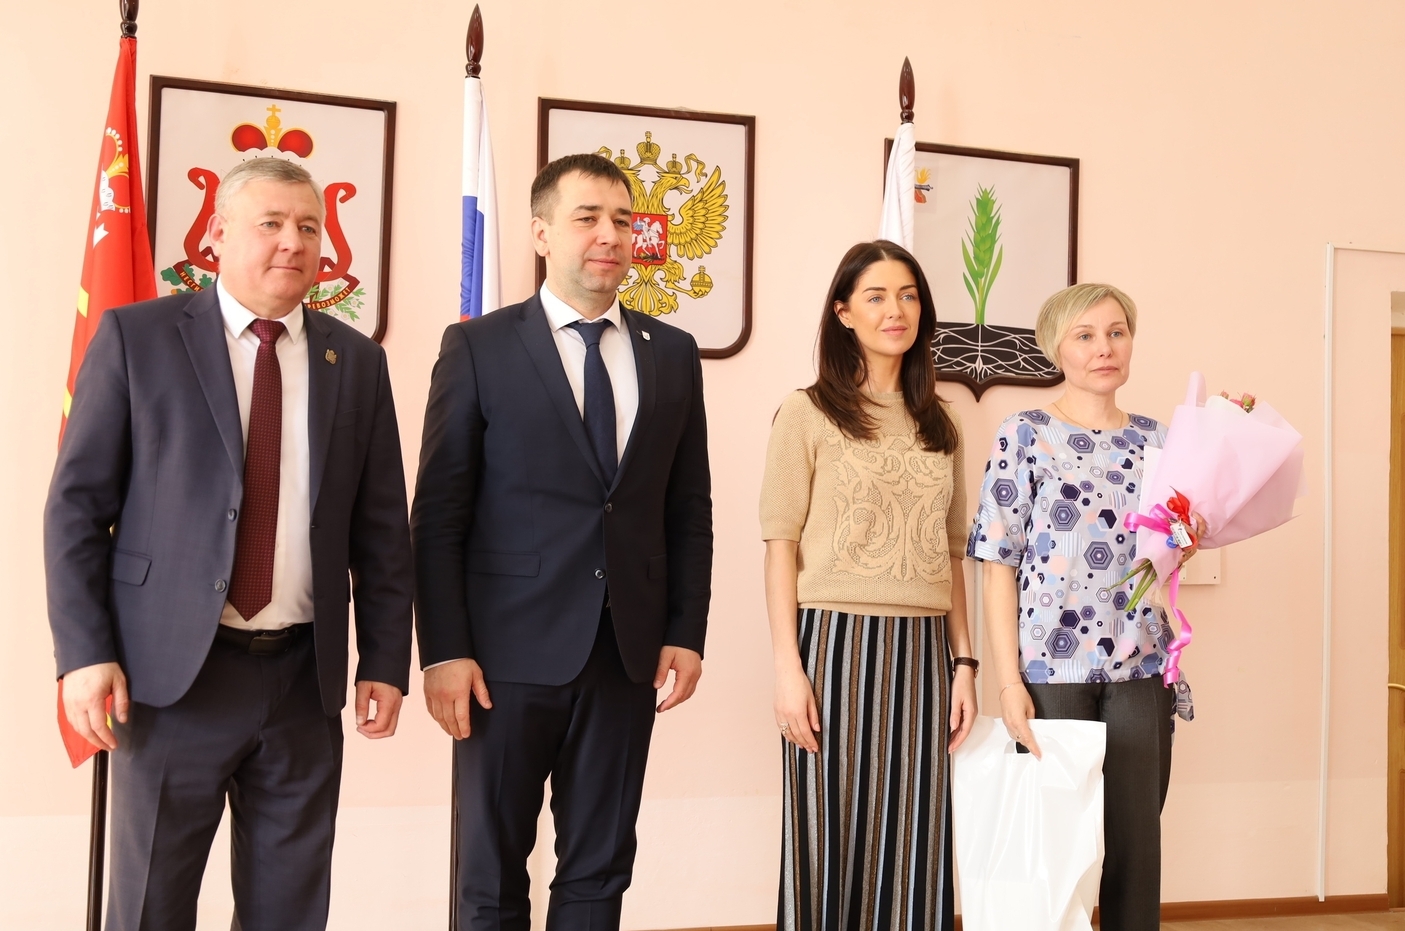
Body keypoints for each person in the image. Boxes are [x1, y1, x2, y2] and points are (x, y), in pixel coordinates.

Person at [44, 157, 414, 930]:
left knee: (289, 910)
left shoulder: (357, 362)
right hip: (170, 678)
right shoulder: (139, 337)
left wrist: (383, 660)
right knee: (150, 905)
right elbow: (76, 509)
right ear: (216, 234)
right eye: (270, 223)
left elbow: (382, 530)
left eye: (308, 226)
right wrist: (83, 653)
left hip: (302, 681)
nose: (293, 242)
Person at [412, 152, 713, 931]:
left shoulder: (671, 352)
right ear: (542, 233)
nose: (608, 234)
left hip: (625, 653)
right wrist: (443, 650)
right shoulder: (478, 347)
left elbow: (687, 508)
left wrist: (685, 631)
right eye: (587, 218)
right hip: (501, 659)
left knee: (599, 866)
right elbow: (438, 513)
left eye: (622, 219)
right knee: (489, 872)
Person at [760, 240, 978, 931]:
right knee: (824, 831)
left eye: (908, 295)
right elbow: (779, 545)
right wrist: (787, 668)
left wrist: (965, 664)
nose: (895, 310)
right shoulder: (806, 412)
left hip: (924, 650)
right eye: (877, 296)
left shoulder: (943, 421)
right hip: (833, 643)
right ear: (843, 312)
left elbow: (952, 552)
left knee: (916, 834)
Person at [966, 282, 1198, 931]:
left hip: (1140, 667)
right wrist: (1007, 681)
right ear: (1056, 348)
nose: (1105, 347)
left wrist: (1189, 538)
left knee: (1135, 847)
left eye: (1117, 332)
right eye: (1086, 335)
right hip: (1049, 671)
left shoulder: (1158, 441)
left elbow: (1166, 555)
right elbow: (996, 563)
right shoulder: (1024, 434)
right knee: (1053, 849)